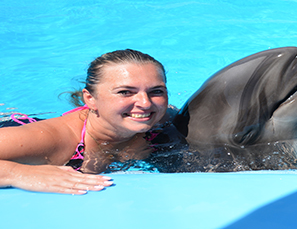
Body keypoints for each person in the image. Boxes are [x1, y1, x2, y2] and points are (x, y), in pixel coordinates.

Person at [0, 49, 174, 194]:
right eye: (125, 92)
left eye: (156, 91)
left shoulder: (162, 118)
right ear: (90, 99)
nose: (145, 103)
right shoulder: (52, 139)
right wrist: (18, 173)